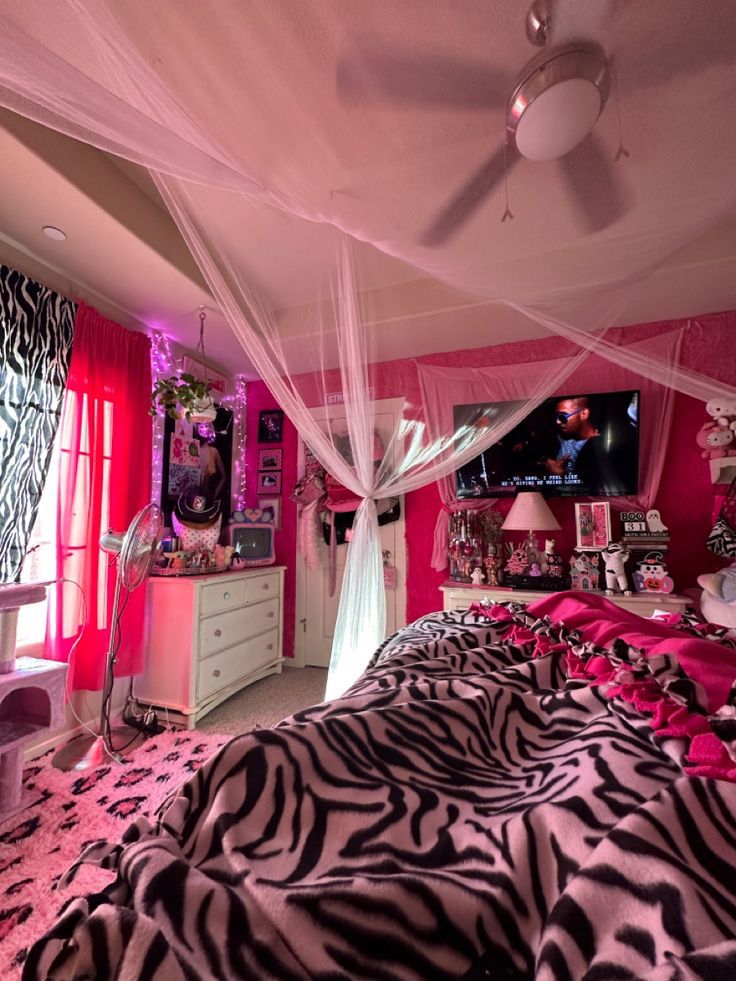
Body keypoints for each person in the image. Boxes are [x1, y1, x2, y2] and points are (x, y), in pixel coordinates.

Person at [196, 423, 226, 502]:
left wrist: (215, 494)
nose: (204, 429)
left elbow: (224, 477)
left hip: (208, 494)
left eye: (206, 426)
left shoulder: (213, 451)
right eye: (201, 427)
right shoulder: (192, 449)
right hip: (193, 494)